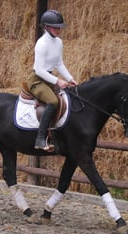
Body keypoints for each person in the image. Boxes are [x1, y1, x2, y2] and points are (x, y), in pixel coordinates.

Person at [27, 9, 78, 151]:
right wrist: (58, 81)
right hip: (37, 80)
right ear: (46, 27)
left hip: (49, 78)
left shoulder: (59, 43)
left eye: (60, 27)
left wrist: (70, 78)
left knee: (67, 97)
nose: (58, 30)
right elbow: (39, 70)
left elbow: (59, 64)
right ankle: (40, 139)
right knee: (53, 101)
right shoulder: (41, 44)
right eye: (56, 27)